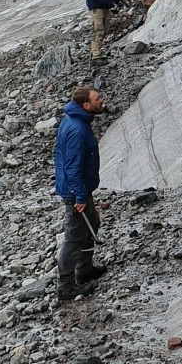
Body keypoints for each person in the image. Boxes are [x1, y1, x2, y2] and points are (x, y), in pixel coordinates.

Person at [54, 85, 109, 301]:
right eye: (97, 99)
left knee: (91, 225)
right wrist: (79, 197)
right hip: (76, 190)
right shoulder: (77, 129)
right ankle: (65, 286)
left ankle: (84, 269)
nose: (101, 101)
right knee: (74, 237)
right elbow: (72, 166)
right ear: (86, 105)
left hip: (80, 188)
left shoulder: (75, 120)